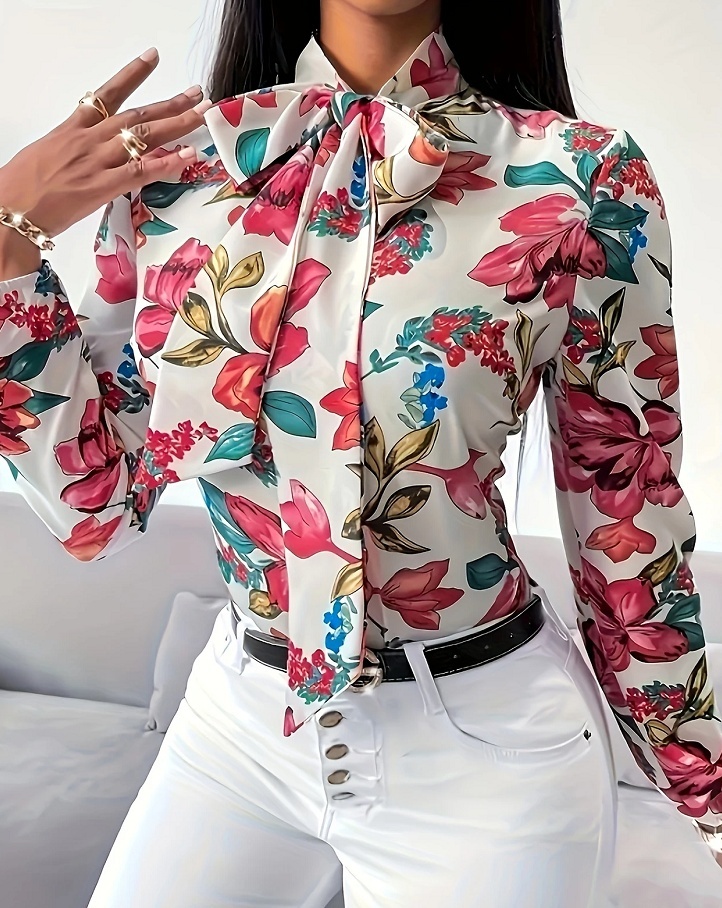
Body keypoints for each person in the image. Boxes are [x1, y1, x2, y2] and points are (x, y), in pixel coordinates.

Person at [1, 0, 721, 905]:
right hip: (241, 724)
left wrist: (704, 786)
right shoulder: (178, 174)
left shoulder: (583, 177)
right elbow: (95, 507)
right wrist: (7, 238)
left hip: (486, 752)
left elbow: (628, 518)